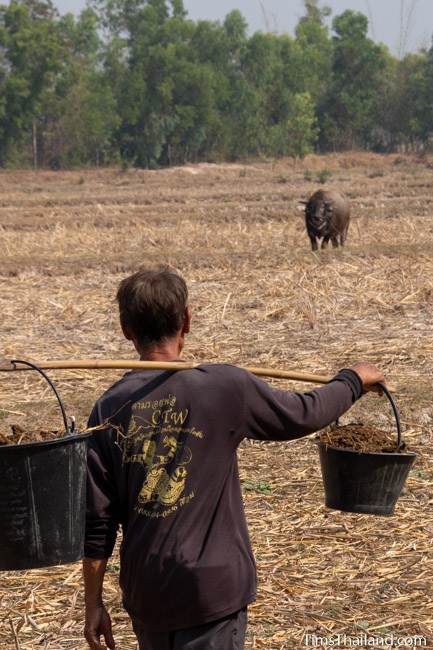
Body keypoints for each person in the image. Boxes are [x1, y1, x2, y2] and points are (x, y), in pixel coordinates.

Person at [83, 268, 385, 650]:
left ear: (125, 328)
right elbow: (304, 413)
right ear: (187, 320)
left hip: (150, 592)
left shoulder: (109, 408)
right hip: (213, 589)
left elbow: (98, 519)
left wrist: (92, 603)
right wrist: (352, 379)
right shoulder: (224, 386)